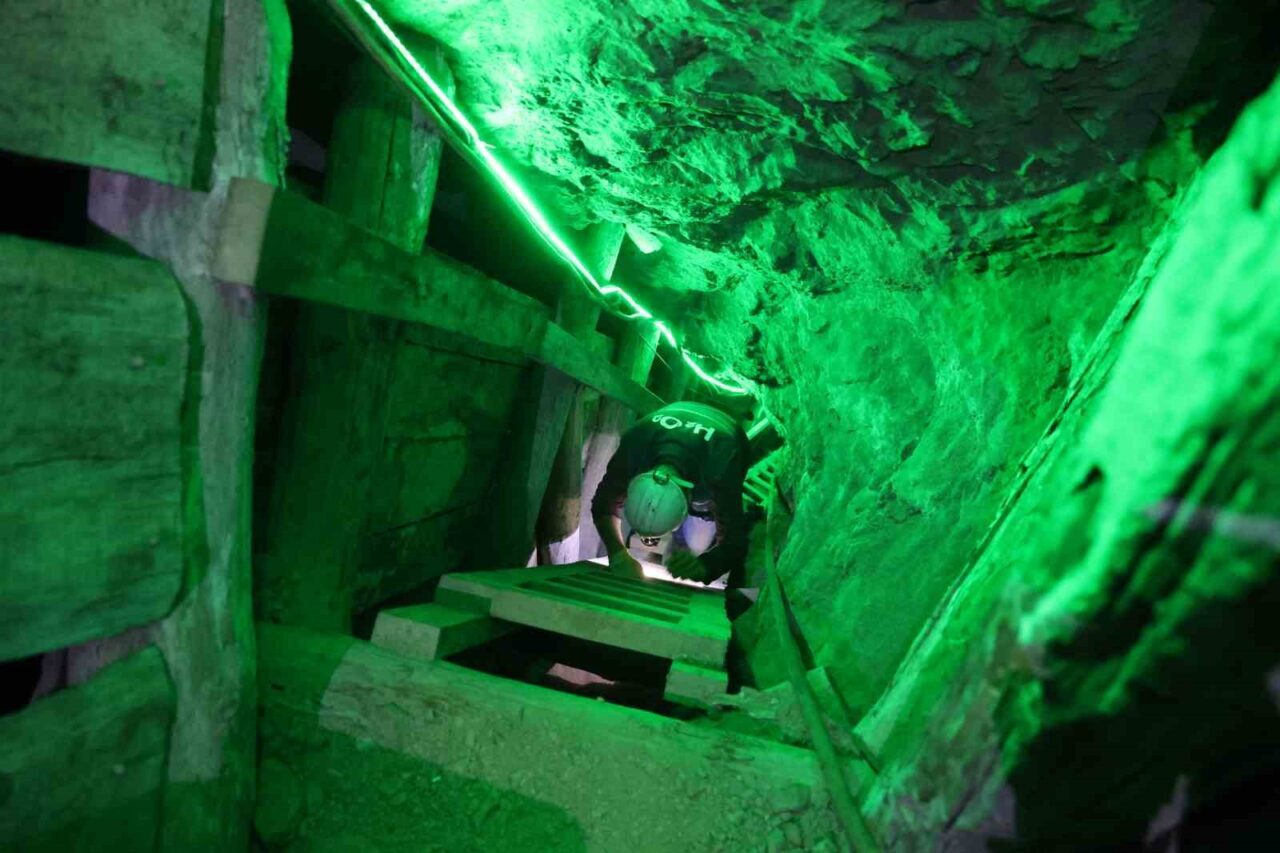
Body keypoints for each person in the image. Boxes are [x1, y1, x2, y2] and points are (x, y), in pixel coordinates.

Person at [590, 401, 750, 591]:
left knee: (697, 544)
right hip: (680, 426)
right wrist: (618, 555)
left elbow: (734, 540)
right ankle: (676, 551)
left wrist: (706, 566)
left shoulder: (722, 464)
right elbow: (603, 503)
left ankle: (685, 547)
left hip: (722, 440)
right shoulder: (634, 445)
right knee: (686, 546)